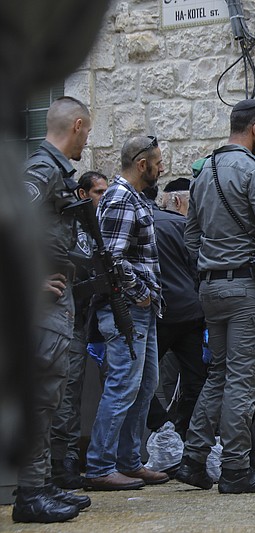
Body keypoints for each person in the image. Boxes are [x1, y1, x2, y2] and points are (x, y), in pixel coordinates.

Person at [176, 99, 255, 494]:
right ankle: (236, 468)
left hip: (210, 288)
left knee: (218, 374)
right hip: (245, 292)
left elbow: (191, 234)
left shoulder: (204, 171)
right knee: (242, 378)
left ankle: (192, 459)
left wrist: (209, 266)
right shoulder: (254, 171)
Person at [16, 96, 93, 523]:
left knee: (49, 397)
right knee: (41, 397)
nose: (86, 140)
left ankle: (41, 486)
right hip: (40, 302)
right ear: (77, 126)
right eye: (88, 132)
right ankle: (30, 496)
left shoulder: (54, 171)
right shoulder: (43, 170)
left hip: (56, 298)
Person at [84, 135, 168, 491]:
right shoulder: (120, 198)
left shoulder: (131, 197)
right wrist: (142, 294)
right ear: (141, 163)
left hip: (139, 310)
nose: (161, 168)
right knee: (122, 385)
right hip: (128, 310)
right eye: (157, 162)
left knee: (145, 385)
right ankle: (100, 466)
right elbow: (111, 260)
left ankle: (129, 462)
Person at [50, 171, 108, 490]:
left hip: (93, 316)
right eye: (98, 192)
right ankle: (65, 458)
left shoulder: (98, 222)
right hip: (68, 314)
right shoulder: (68, 221)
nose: (104, 197)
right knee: (68, 387)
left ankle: (88, 456)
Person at [145, 177, 208, 441]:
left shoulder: (148, 223)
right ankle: (185, 433)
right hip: (191, 314)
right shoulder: (187, 229)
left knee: (141, 380)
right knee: (199, 380)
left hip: (159, 314)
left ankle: (163, 427)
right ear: (181, 202)